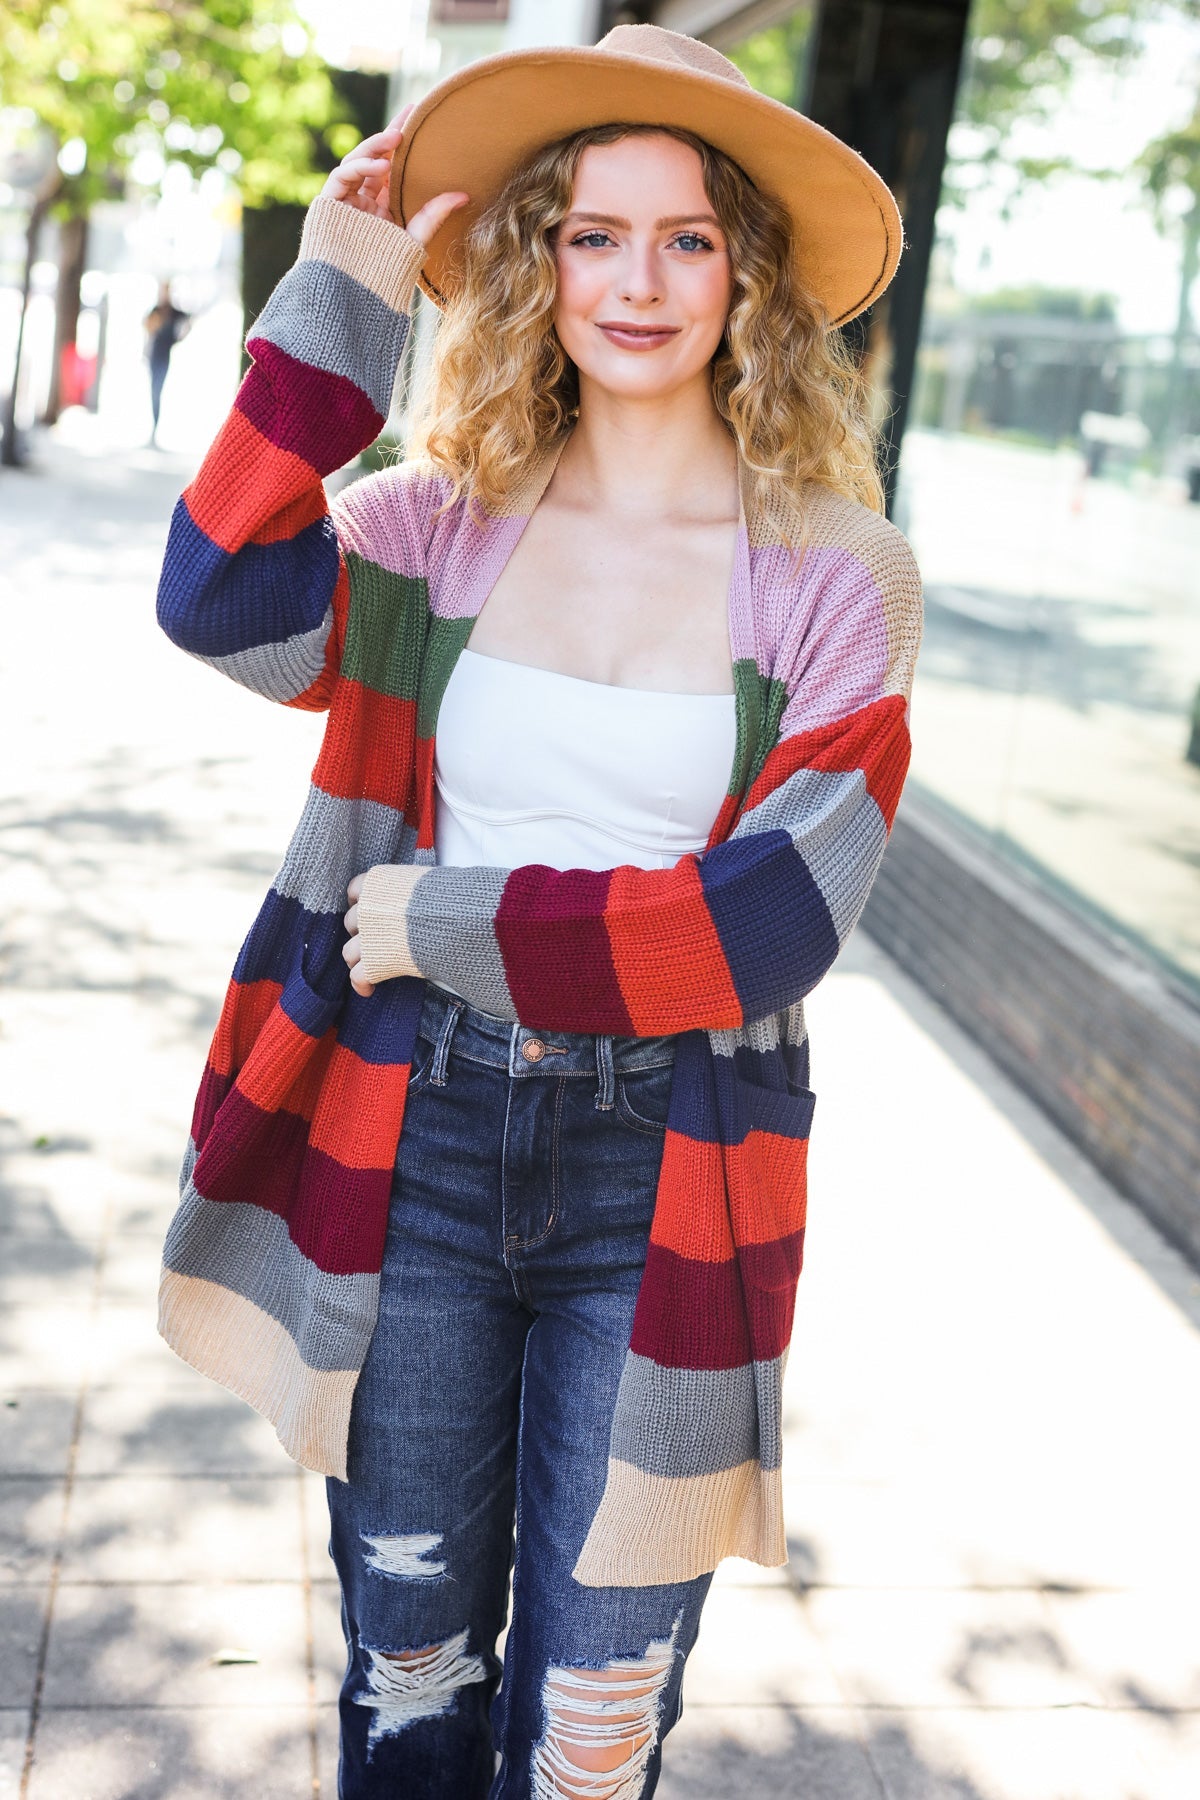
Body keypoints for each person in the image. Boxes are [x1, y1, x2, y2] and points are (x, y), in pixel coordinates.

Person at [153, 25, 922, 1799]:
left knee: (596, 1728)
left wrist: (454, 921)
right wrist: (342, 296)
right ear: (538, 265)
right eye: (592, 235)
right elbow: (217, 595)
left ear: (748, 276)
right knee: (409, 1678)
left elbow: (774, 918)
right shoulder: (435, 531)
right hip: (409, 1140)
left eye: (686, 238)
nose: (637, 283)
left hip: (669, 1175)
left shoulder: (838, 573)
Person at [143, 280, 190, 445]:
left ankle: (155, 428)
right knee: (153, 391)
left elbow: (188, 321)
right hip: (153, 355)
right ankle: (153, 428)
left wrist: (177, 339)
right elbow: (146, 327)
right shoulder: (156, 310)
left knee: (158, 391)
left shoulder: (174, 312)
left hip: (164, 356)